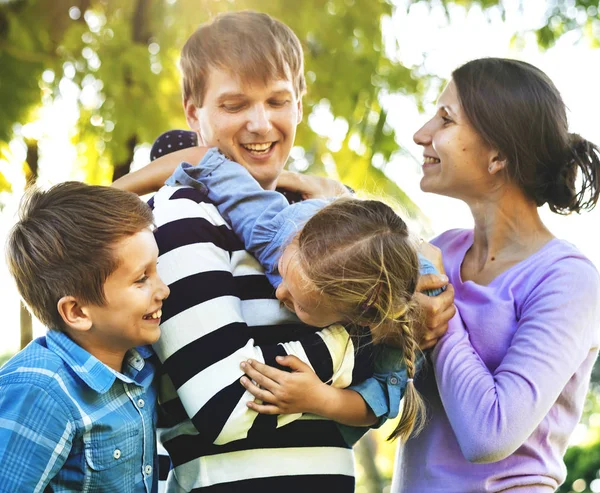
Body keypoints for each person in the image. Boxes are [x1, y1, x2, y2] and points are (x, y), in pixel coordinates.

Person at [113, 11, 455, 493]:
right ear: (194, 113)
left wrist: (416, 285)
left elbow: (413, 275)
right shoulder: (180, 215)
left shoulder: (328, 222)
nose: (260, 123)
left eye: (277, 100)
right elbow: (228, 406)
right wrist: (377, 323)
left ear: (299, 103)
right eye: (234, 105)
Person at [388, 58, 600, 492]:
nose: (421, 134)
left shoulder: (566, 280)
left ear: (498, 155)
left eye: (445, 120)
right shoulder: (442, 248)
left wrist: (441, 320)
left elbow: (490, 433)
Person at [0, 182, 170, 492]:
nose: (164, 290)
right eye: (141, 279)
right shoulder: (41, 392)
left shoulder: (140, 362)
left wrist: (288, 181)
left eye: (156, 269)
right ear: (77, 312)